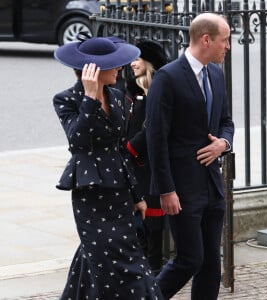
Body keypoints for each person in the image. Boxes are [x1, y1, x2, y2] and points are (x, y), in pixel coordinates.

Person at [53, 37, 163, 299]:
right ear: (93, 70)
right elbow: (78, 141)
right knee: (109, 264)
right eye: (112, 65)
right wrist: (90, 99)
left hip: (120, 194)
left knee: (113, 259)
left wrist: (138, 197)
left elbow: (120, 149)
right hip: (91, 196)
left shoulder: (118, 97)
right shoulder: (66, 99)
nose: (120, 68)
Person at [146, 13, 234, 300]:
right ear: (206, 39)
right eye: (225, 40)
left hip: (212, 187)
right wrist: (166, 190)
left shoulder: (216, 74)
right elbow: (156, 138)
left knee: (211, 265)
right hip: (181, 190)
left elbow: (226, 122)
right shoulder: (167, 77)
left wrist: (224, 143)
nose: (228, 47)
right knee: (189, 260)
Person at [125, 40, 169, 275]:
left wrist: (131, 148)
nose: (132, 64)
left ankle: (153, 268)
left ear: (149, 62)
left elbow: (151, 128)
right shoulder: (133, 91)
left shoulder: (156, 90)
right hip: (134, 165)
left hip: (149, 164)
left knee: (153, 221)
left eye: (137, 59)